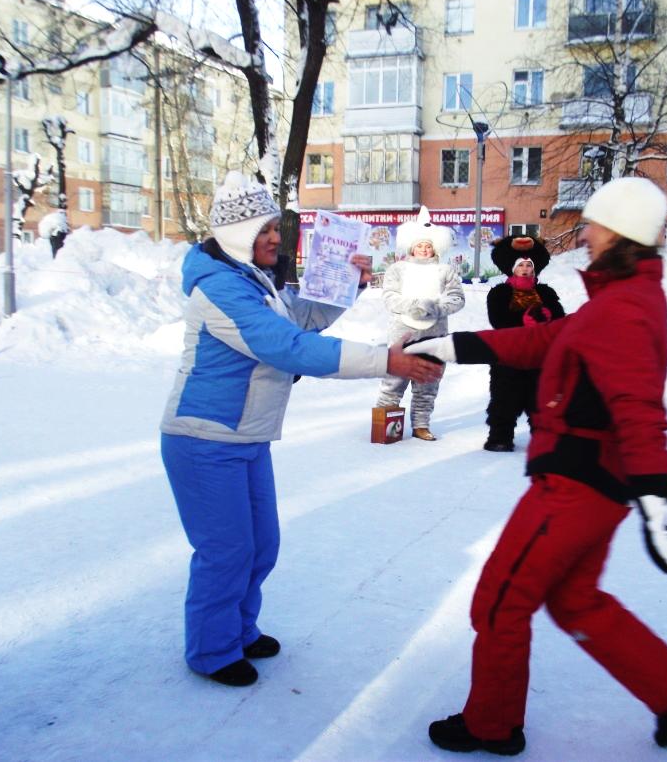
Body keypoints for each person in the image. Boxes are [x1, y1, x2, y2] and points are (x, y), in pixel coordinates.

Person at [406, 177, 667, 755]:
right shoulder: (623, 298)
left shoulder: (623, 308)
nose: (587, 231)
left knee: (499, 601)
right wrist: (448, 347)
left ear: (619, 233)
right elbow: (544, 340)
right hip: (599, 483)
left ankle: (491, 726)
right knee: (575, 601)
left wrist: (659, 507)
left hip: (575, 485)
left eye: (595, 222)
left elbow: (640, 408)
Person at [159, 171, 442, 688]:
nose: (275, 239)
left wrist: (346, 289)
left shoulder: (251, 279)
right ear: (238, 235)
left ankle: (239, 630)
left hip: (245, 437)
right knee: (226, 551)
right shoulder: (219, 288)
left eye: (275, 228)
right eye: (264, 230)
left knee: (260, 544)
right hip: (203, 439)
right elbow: (285, 347)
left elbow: (297, 322)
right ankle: (211, 649)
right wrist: (388, 360)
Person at [374, 206, 465, 441]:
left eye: (428, 245)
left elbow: (456, 298)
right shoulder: (398, 269)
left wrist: (434, 307)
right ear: (411, 246)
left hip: (435, 335)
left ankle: (421, 424)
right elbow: (389, 297)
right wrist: (412, 306)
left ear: (435, 247)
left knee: (428, 380)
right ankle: (384, 424)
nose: (424, 250)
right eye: (419, 245)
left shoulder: (446, 271)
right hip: (402, 334)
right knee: (394, 379)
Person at [482, 235, 564, 452]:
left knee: (540, 399)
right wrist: (525, 320)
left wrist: (547, 315)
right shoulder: (500, 293)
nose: (526, 269)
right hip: (508, 355)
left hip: (540, 357)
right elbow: (498, 321)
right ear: (512, 268)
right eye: (521, 265)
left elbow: (559, 319)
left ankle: (543, 437)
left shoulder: (545, 292)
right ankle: (500, 437)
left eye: (529, 265)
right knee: (504, 399)